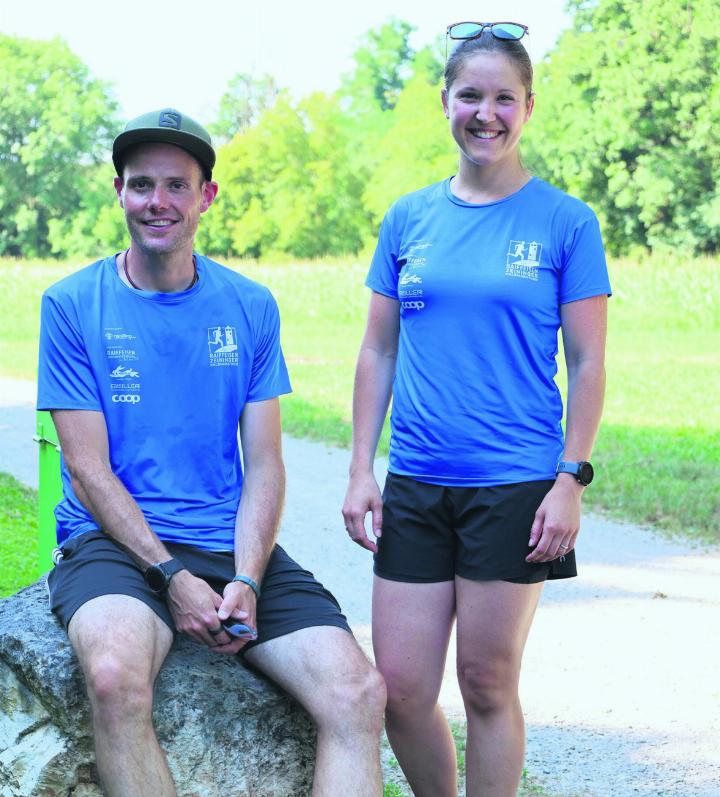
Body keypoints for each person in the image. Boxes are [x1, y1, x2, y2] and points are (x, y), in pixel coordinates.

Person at [38, 108, 386, 797]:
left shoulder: (249, 305)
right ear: (118, 192)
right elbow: (86, 467)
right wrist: (171, 576)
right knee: (114, 676)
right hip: (112, 543)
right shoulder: (72, 304)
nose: (157, 202)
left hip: (227, 545)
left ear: (207, 196)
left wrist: (249, 579)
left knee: (358, 691)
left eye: (175, 185)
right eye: (141, 185)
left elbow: (264, 463)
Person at [342, 21, 610, 797]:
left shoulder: (565, 222)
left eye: (502, 98)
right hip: (418, 485)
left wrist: (570, 478)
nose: (484, 113)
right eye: (470, 95)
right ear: (445, 102)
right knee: (399, 690)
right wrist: (362, 467)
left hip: (516, 486)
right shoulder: (408, 219)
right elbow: (377, 351)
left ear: (527, 106)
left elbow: (587, 360)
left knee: (488, 684)